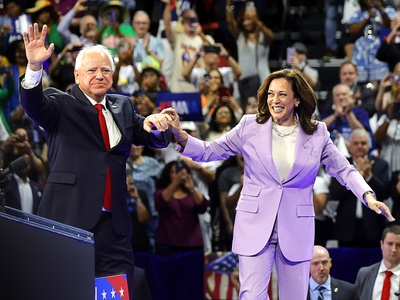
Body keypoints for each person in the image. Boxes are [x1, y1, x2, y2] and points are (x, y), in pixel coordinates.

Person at [162, 68, 394, 299]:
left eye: (282, 94)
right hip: (255, 223)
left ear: (296, 99)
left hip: (296, 227)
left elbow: (344, 169)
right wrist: (181, 136)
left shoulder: (317, 132)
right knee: (252, 296)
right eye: (271, 94)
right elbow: (210, 151)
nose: (275, 100)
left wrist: (368, 196)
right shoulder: (249, 126)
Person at [19, 23, 175, 299]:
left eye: (105, 70)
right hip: (68, 221)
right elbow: (34, 105)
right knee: (66, 291)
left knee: (114, 294)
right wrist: (34, 68)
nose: (99, 75)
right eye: (91, 70)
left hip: (114, 229)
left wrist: (161, 124)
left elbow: (149, 134)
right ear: (77, 75)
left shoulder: (123, 105)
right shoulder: (60, 103)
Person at [330, 128, 390, 248]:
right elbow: (334, 193)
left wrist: (368, 176)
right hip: (347, 228)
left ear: (369, 146)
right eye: (356, 143)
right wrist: (356, 175)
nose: (359, 146)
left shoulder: (380, 165)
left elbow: (385, 193)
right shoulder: (341, 165)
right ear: (349, 146)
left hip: (373, 228)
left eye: (363, 143)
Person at [154, 159, 208, 257]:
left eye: (180, 171)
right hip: (167, 243)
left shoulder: (192, 193)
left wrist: (192, 188)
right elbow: (160, 203)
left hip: (192, 244)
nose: (178, 175)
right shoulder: (161, 192)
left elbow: (203, 207)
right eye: (173, 172)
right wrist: (175, 183)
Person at [355, 224, 400, 299]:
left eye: (399, 245)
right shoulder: (364, 274)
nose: (394, 250)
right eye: (390, 244)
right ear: (381, 244)